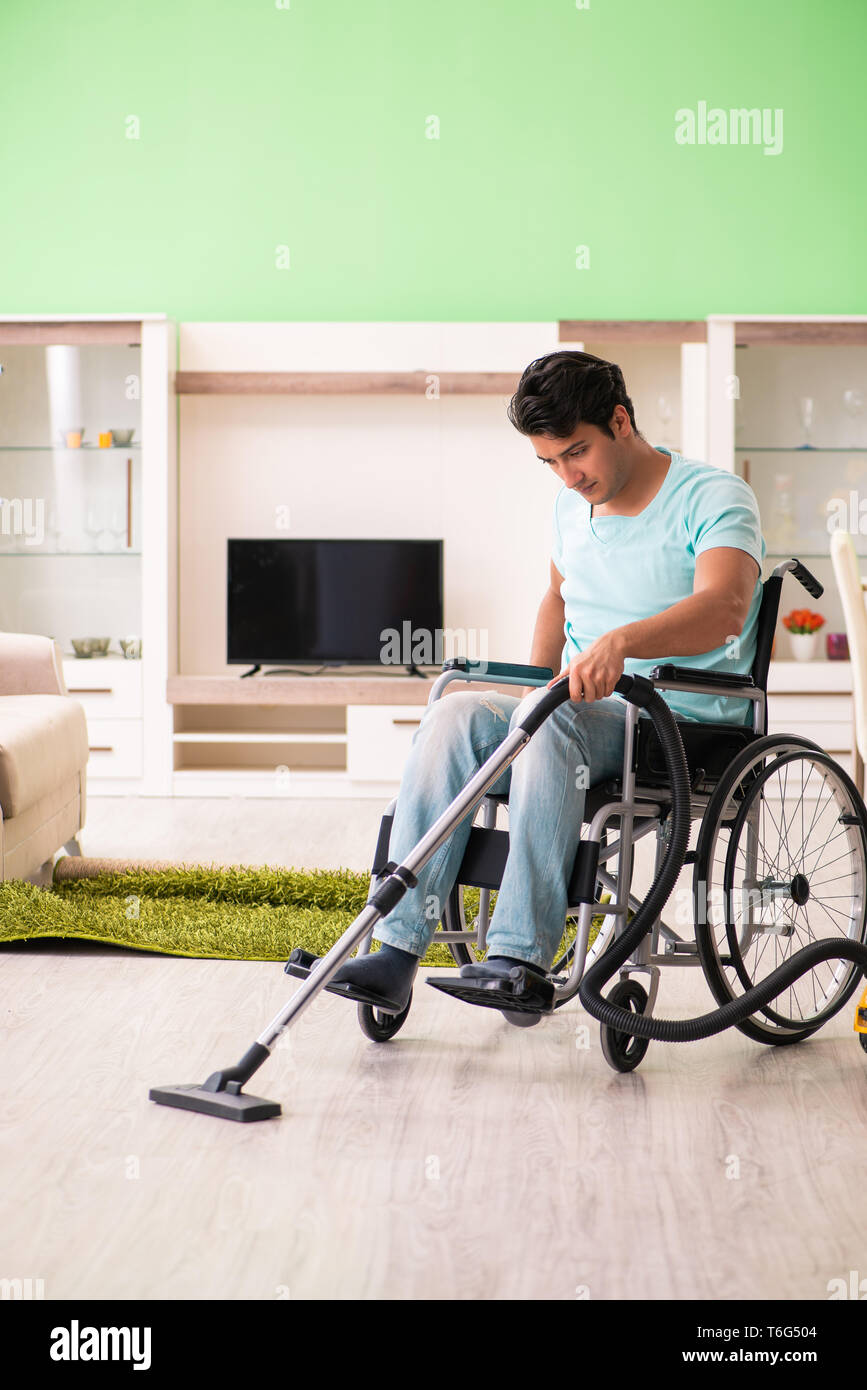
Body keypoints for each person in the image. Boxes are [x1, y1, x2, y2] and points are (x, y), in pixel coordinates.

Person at [328, 350, 766, 1014]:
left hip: (675, 722)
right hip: (575, 712)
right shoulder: (569, 510)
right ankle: (393, 948)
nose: (566, 476)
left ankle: (519, 958)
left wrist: (622, 643)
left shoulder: (711, 495)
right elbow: (556, 598)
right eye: (550, 463)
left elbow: (725, 608)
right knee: (458, 711)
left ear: (620, 420)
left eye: (575, 453)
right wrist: (527, 689)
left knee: (549, 713)